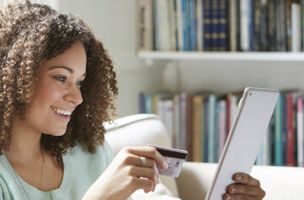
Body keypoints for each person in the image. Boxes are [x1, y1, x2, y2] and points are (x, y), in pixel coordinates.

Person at [0, 1, 266, 200]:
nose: (77, 97)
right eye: (61, 78)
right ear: (14, 77)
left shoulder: (88, 152)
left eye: (80, 82)